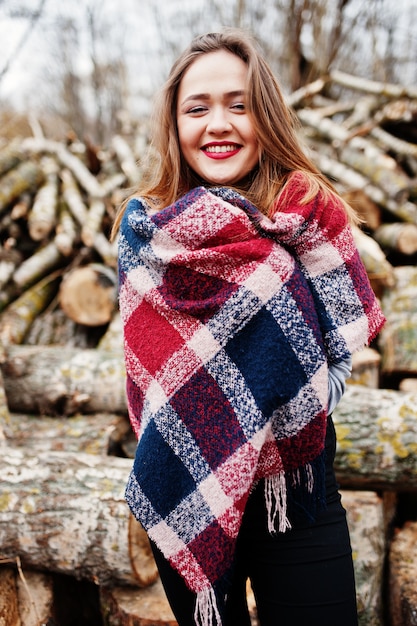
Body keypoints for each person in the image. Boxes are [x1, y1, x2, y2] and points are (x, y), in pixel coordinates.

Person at [112, 29, 385, 626]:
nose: (219, 124)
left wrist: (282, 414)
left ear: (265, 116)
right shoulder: (145, 233)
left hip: (297, 488)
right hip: (184, 476)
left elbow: (344, 341)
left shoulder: (310, 210)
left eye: (239, 105)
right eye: (198, 108)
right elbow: (147, 375)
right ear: (174, 123)